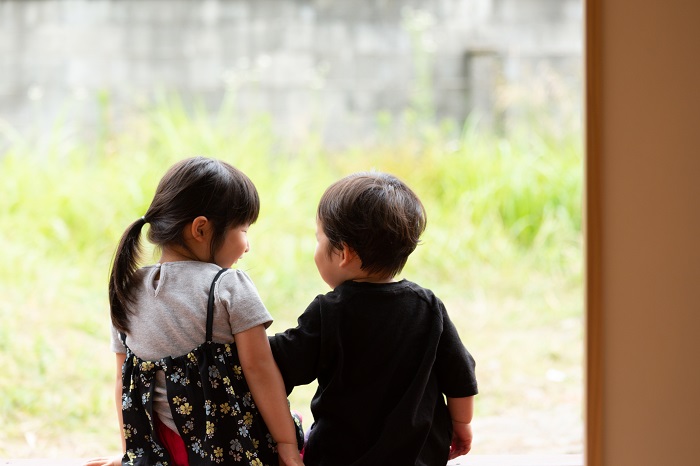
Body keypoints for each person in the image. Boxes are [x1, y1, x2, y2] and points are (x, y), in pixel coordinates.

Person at [85, 156, 304, 466]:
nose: (247, 245)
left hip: (162, 452)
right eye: (243, 230)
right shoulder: (227, 286)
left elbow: (124, 382)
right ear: (201, 229)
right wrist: (286, 444)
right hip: (229, 450)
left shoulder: (127, 289)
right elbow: (260, 370)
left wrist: (131, 455)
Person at [269, 172, 478, 466]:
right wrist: (462, 425)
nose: (316, 248)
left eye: (318, 238)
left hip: (341, 456)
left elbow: (282, 361)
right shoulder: (427, 306)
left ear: (344, 253)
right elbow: (459, 375)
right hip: (420, 455)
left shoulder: (329, 312)